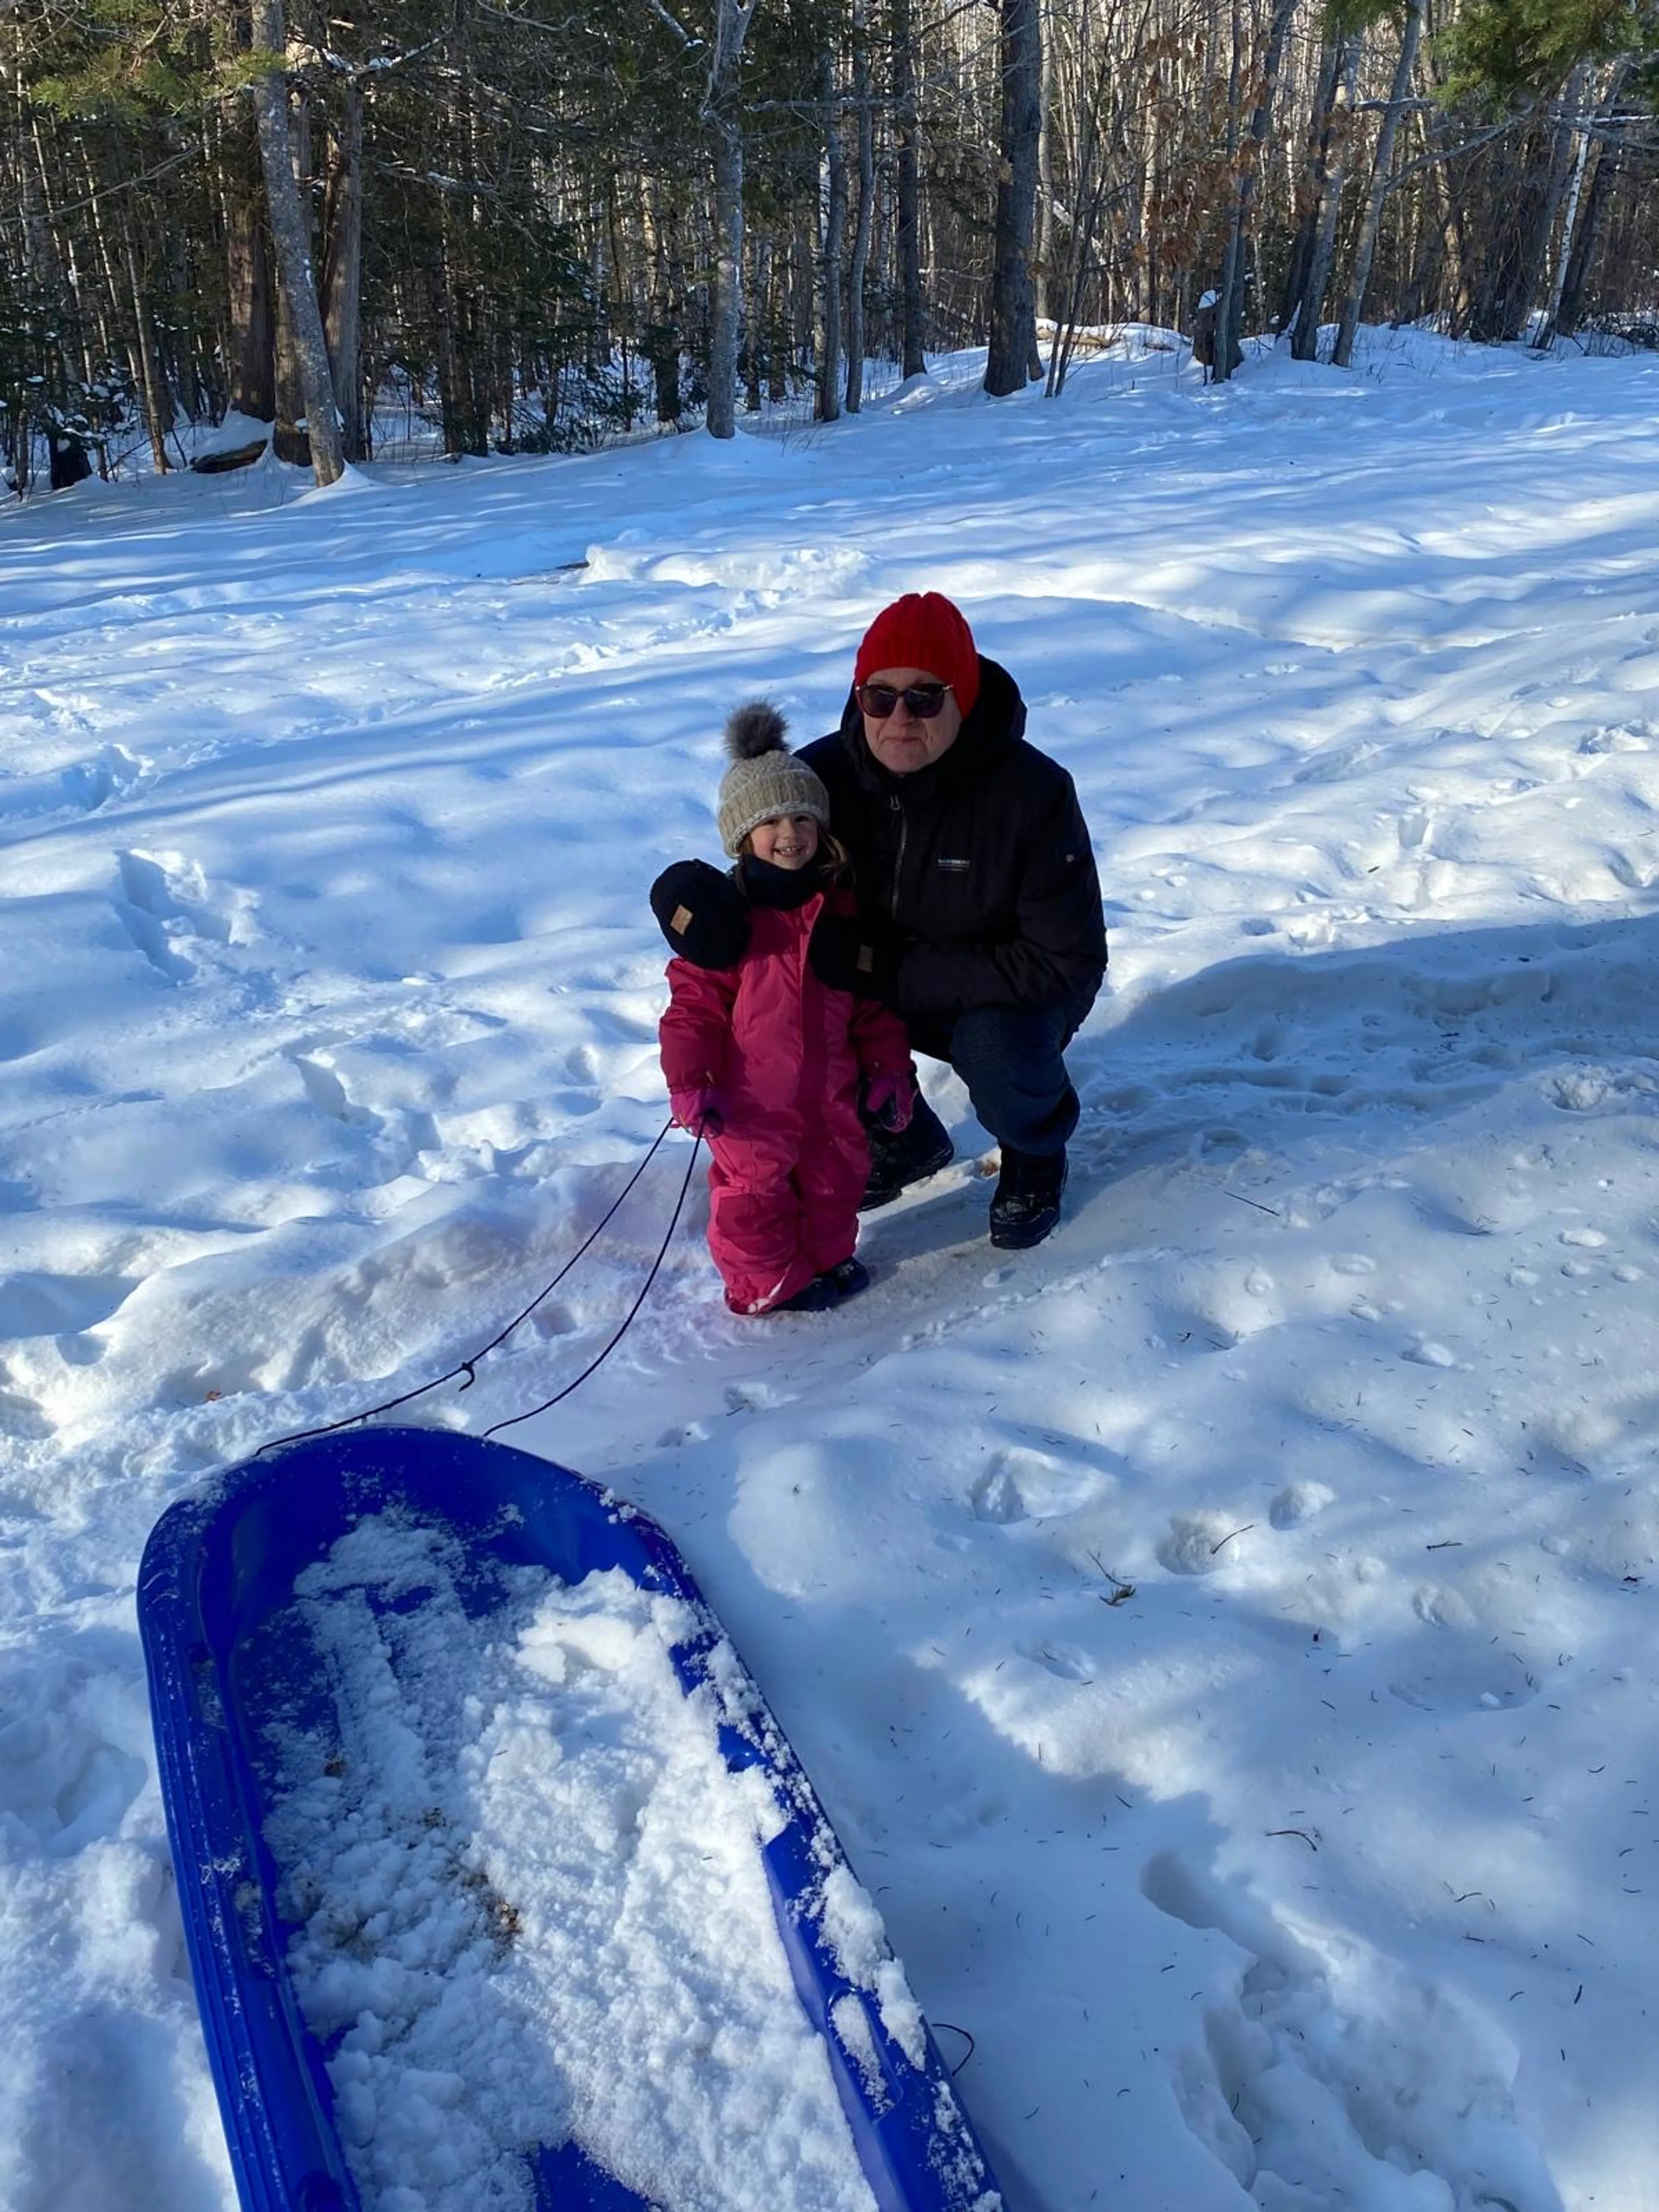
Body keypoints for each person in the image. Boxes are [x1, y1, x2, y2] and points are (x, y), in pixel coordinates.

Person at [796, 591, 1106, 1250]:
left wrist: (894, 973)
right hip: (876, 980)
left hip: (1010, 990)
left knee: (996, 1048)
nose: (899, 717)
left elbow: (1065, 960)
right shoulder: (819, 778)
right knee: (794, 1003)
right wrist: (702, 906)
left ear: (962, 698)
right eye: (879, 697)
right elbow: (766, 872)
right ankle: (902, 1137)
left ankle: (1034, 1151)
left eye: (925, 697)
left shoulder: (1035, 794)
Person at [651, 703, 916, 1316]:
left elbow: (872, 1009)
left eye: (803, 817)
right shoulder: (727, 922)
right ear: (743, 836)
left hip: (829, 1095)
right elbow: (692, 1011)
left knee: (836, 1178)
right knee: (756, 1193)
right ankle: (763, 1280)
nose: (791, 833)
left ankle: (824, 1257)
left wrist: (888, 1072)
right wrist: (692, 1084)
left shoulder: (842, 913)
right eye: (772, 822)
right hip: (750, 1105)